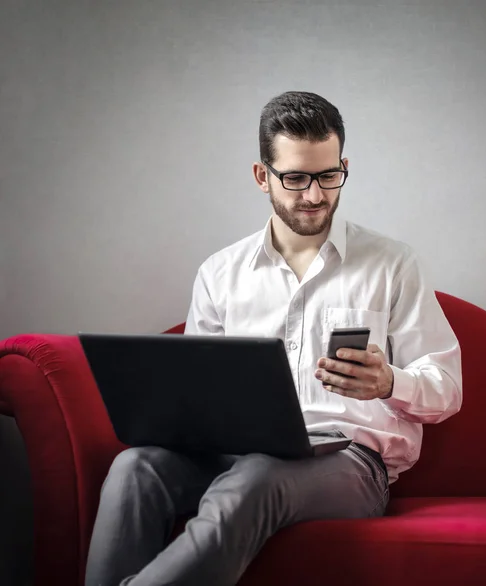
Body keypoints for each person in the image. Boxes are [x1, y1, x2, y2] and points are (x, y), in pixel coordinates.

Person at [85, 91, 463, 586]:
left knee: (257, 477)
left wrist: (388, 382)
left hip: (349, 462)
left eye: (329, 176)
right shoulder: (220, 273)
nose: (314, 195)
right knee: (136, 468)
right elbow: (195, 395)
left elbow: (447, 388)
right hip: (235, 455)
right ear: (263, 176)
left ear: (343, 165)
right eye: (295, 178)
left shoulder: (393, 264)